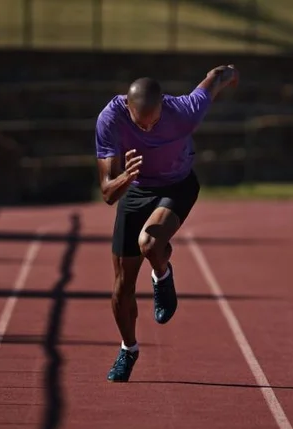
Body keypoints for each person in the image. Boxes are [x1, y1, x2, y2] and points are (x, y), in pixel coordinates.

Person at [95, 64, 240, 382]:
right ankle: (128, 349)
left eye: (153, 122)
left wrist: (230, 73)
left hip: (178, 185)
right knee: (122, 287)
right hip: (133, 189)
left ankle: (162, 274)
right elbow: (107, 193)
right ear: (127, 107)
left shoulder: (185, 111)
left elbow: (213, 81)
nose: (147, 129)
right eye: (139, 123)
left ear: (163, 106)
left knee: (149, 242)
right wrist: (126, 176)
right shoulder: (110, 119)